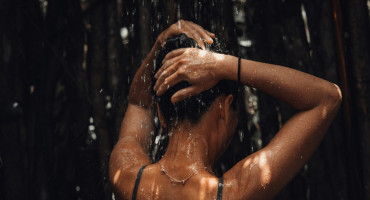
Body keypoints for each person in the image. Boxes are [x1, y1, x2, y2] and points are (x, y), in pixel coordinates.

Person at [109, 20, 342, 200]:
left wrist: (160, 45)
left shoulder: (128, 178)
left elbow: (138, 103)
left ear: (161, 113)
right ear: (225, 107)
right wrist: (226, 65)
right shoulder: (234, 192)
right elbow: (326, 98)